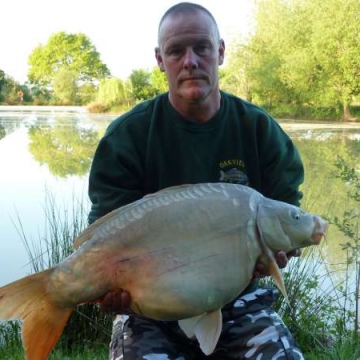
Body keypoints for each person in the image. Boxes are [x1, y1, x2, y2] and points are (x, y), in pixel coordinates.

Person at [88, 2, 305, 359]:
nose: (190, 61)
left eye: (201, 47)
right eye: (176, 50)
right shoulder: (127, 137)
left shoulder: (260, 131)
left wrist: (281, 252)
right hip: (148, 308)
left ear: (219, 51)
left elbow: (287, 224)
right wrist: (109, 287)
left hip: (238, 299)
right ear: (160, 60)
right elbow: (104, 234)